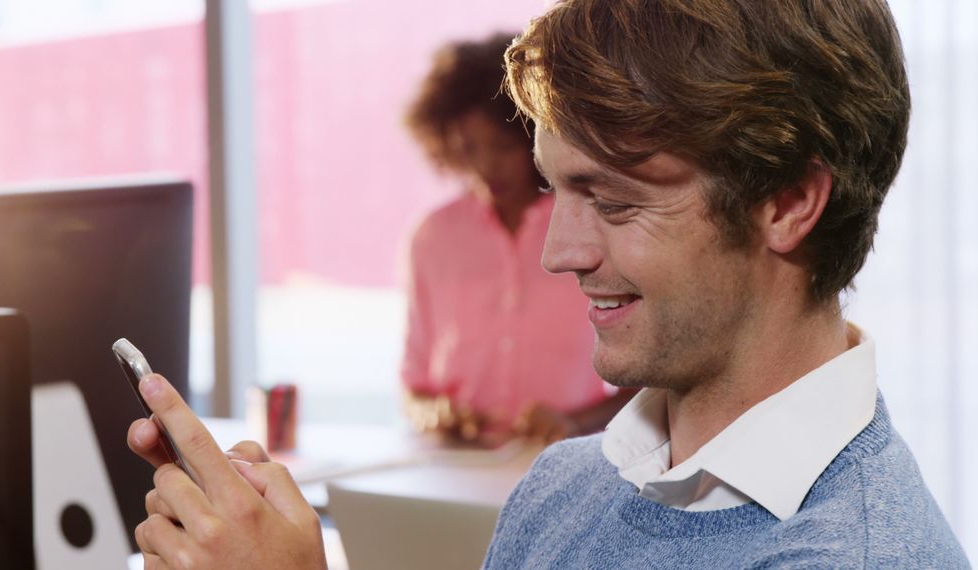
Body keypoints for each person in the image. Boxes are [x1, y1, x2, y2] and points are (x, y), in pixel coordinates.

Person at [127, 0, 969, 567]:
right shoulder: (564, 487)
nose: (557, 253)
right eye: (554, 187)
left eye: (614, 200)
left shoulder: (857, 554)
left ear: (788, 203)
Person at [400, 33, 633, 444]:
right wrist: (435, 415)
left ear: (536, 137)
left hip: (572, 459)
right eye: (470, 148)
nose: (486, 165)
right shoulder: (433, 236)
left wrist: (574, 425)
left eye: (502, 147)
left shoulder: (590, 226)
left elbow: (643, 387)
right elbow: (415, 386)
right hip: (459, 468)